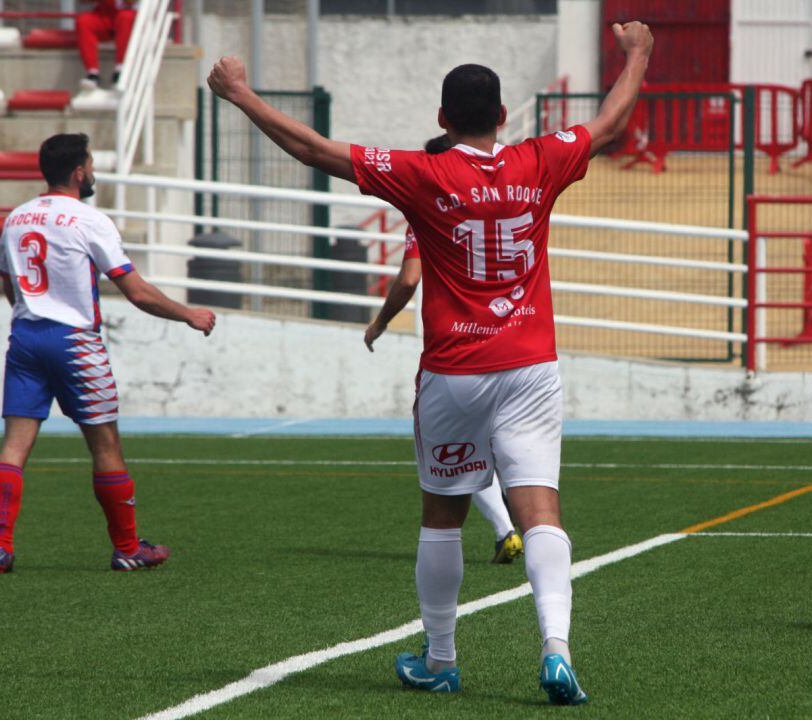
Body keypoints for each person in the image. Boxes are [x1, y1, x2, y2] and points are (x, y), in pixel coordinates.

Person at [207, 19, 653, 704]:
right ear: (503, 116)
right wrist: (638, 53)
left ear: (442, 119)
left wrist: (240, 93)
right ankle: (557, 648)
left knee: (443, 517)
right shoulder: (540, 159)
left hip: (455, 371)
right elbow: (612, 121)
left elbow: (313, 149)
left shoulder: (422, 173)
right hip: (531, 364)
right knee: (540, 511)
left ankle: (442, 659)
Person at [0, 133, 216, 574]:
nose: (92, 172)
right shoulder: (89, 220)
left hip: (25, 338)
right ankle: (129, 548)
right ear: (79, 171)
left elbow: (7, 282)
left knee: (14, 447)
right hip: (74, 343)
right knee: (105, 444)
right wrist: (188, 314)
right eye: (90, 165)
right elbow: (135, 291)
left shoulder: (16, 219)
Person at [364, 134, 524, 566]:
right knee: (502, 447)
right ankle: (525, 526)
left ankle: (506, 528)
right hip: (515, 347)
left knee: (459, 452)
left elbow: (410, 278)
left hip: (454, 353)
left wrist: (379, 323)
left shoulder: (429, 210)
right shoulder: (499, 199)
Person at [75, 1, 137, 95]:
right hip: (105, 16)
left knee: (125, 17)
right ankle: (93, 73)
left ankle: (120, 69)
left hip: (129, 15)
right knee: (84, 21)